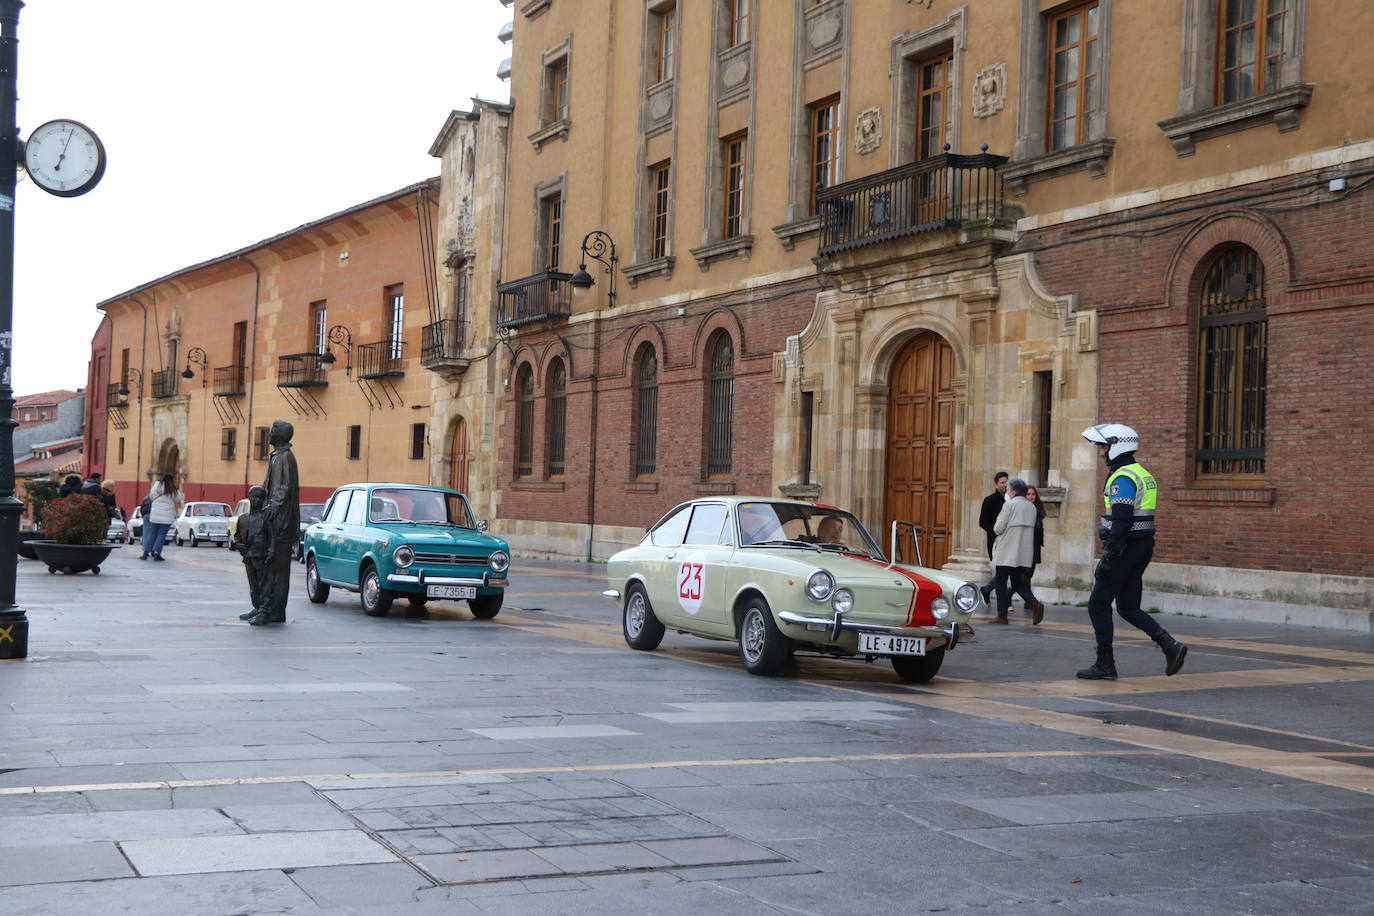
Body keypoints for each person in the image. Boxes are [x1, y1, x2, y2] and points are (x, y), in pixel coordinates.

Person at [1077, 424, 1187, 679]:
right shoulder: (1142, 473)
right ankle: (1170, 646)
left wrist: (1110, 556)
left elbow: (1122, 520)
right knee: (1128, 607)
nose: (1101, 453)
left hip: (1124, 549)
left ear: (1118, 445)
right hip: (1142, 547)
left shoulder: (1123, 478)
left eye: (1103, 447)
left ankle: (1105, 664)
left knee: (1098, 603)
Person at [248, 420, 299, 626]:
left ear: (279, 435)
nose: (268, 434)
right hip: (275, 521)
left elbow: (283, 488)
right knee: (270, 570)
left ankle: (274, 611)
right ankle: (264, 607)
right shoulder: (279, 456)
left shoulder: (285, 458)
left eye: (272, 431)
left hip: (280, 523)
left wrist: (273, 508)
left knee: (277, 572)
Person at [987, 478, 1045, 625]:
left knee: (1000, 582)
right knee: (1018, 583)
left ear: (1012, 492)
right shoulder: (1031, 507)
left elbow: (997, 528)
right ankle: (1034, 603)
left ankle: (1002, 615)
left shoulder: (1009, 505)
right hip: (1023, 553)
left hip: (1006, 551)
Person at [233, 486, 270, 622]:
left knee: (263, 584)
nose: (256, 500)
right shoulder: (242, 518)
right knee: (253, 585)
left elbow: (272, 537)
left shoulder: (266, 518)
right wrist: (238, 544)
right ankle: (257, 607)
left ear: (264, 500)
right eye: (254, 496)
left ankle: (264, 611)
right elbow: (236, 536)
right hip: (248, 556)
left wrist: (270, 553)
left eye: (260, 497)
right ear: (249, 497)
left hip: (261, 556)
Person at [978, 471, 1009, 603]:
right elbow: (983, 522)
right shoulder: (989, 500)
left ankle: (987, 589)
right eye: (1002, 482)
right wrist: (996, 531)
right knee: (1003, 572)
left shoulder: (1011, 500)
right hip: (995, 540)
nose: (1005, 485)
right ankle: (1005, 603)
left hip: (1010, 540)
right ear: (996, 484)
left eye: (1007, 482)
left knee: (1007, 571)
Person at [140, 473, 183, 561]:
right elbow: (178, 499)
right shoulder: (173, 489)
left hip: (155, 515)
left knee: (152, 533)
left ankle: (145, 553)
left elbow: (151, 496)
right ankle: (157, 553)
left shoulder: (157, 486)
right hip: (167, 517)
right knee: (161, 535)